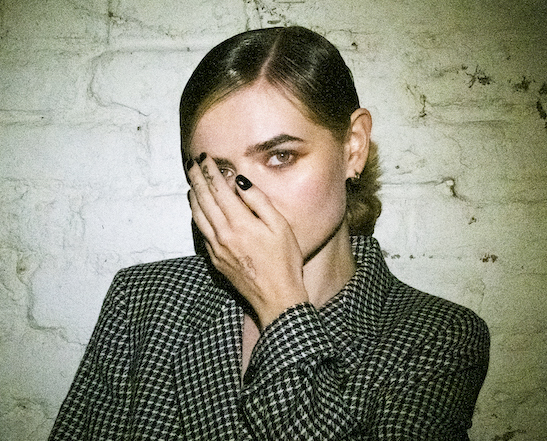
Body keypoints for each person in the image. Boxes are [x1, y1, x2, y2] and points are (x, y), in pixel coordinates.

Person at [49, 26, 489, 440]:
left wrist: (280, 306)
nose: (247, 197)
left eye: (280, 156)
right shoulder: (143, 300)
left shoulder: (437, 336)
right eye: (219, 171)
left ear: (353, 146)